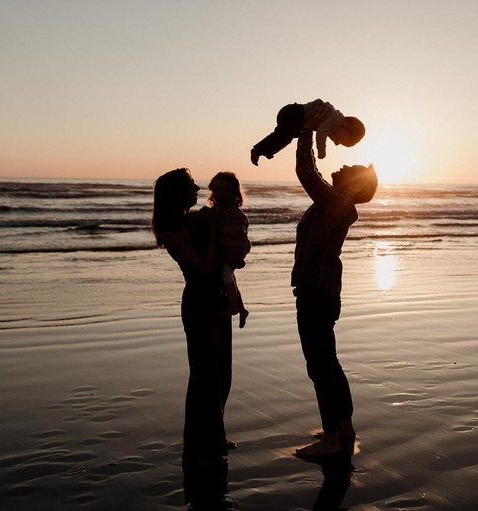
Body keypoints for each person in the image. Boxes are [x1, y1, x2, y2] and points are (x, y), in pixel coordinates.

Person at [291, 128, 378, 458]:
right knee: (327, 362)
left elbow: (305, 172)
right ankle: (343, 428)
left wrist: (306, 132)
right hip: (321, 292)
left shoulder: (338, 202)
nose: (343, 167)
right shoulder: (336, 203)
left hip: (316, 292)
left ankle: (331, 439)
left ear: (354, 186)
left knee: (320, 364)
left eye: (351, 169)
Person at [151, 168, 235, 463]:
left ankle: (216, 432)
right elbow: (206, 269)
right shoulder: (172, 233)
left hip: (219, 300)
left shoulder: (195, 219)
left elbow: (226, 259)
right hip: (199, 304)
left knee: (223, 372)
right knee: (203, 377)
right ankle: (199, 442)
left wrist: (237, 296)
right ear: (177, 193)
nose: (198, 188)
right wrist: (212, 232)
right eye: (190, 185)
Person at [201, 171, 251, 329]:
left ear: (234, 193)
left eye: (225, 191)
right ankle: (242, 309)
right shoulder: (216, 209)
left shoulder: (234, 212)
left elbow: (239, 230)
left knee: (225, 275)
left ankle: (232, 308)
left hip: (235, 248)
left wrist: (220, 228)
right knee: (230, 278)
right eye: (217, 190)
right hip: (224, 248)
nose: (220, 194)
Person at [251, 99, 366, 166]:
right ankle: (258, 150)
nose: (339, 142)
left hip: (295, 116)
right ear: (345, 125)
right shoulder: (333, 119)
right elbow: (321, 133)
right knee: (283, 136)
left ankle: (267, 150)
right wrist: (322, 151)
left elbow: (327, 131)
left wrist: (335, 139)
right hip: (295, 114)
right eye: (342, 140)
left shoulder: (334, 121)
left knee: (285, 138)